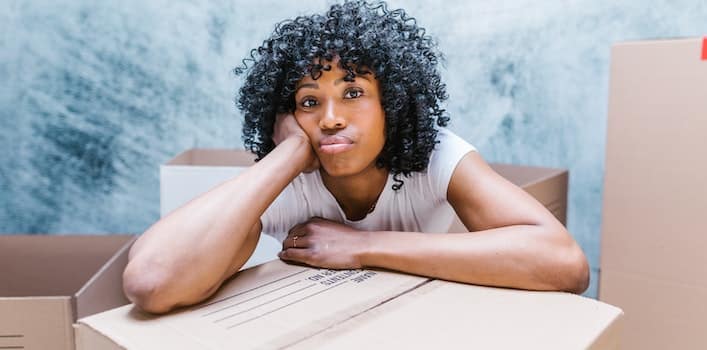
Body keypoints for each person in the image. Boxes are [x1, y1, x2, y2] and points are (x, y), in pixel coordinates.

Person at [123, 0, 589, 314]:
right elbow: (151, 282)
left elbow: (565, 263)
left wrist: (361, 246)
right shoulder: (285, 175)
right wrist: (285, 156)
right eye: (309, 102)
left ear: (393, 102)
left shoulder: (436, 154)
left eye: (353, 92)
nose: (329, 118)